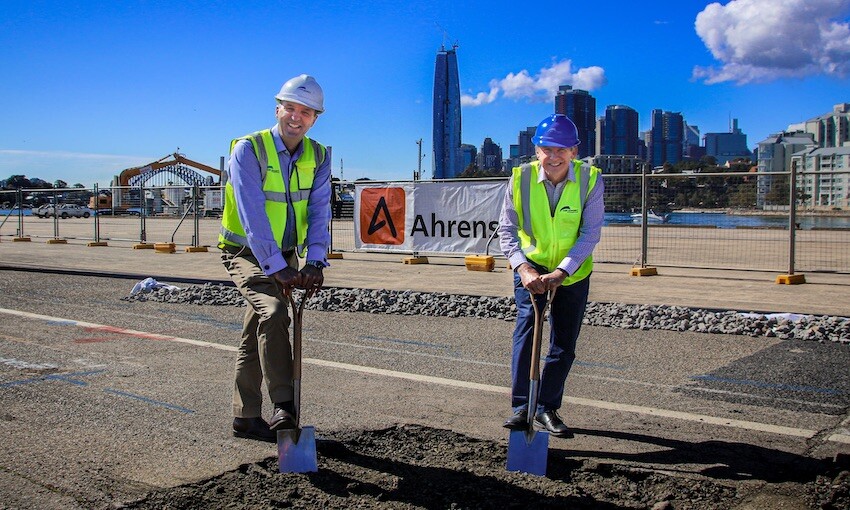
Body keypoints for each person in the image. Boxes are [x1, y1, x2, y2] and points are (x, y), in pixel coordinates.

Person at [219, 74, 331, 443]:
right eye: (290, 108)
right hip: (244, 251)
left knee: (258, 329)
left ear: (315, 118)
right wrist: (277, 267)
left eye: (306, 112)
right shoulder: (249, 149)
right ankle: (284, 406)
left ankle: (245, 416)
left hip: (284, 255)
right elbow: (252, 213)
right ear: (277, 109)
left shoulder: (318, 155)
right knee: (275, 312)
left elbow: (319, 210)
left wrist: (315, 260)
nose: (296, 117)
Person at [498, 114, 604, 438]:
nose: (554, 156)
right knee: (527, 333)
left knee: (564, 343)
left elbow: (590, 233)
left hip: (572, 272)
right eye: (547, 149)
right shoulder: (520, 179)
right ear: (537, 150)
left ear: (574, 151)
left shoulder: (590, 179)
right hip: (530, 268)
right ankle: (522, 408)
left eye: (561, 149)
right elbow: (506, 230)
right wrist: (523, 268)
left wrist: (562, 271)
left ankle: (546, 407)